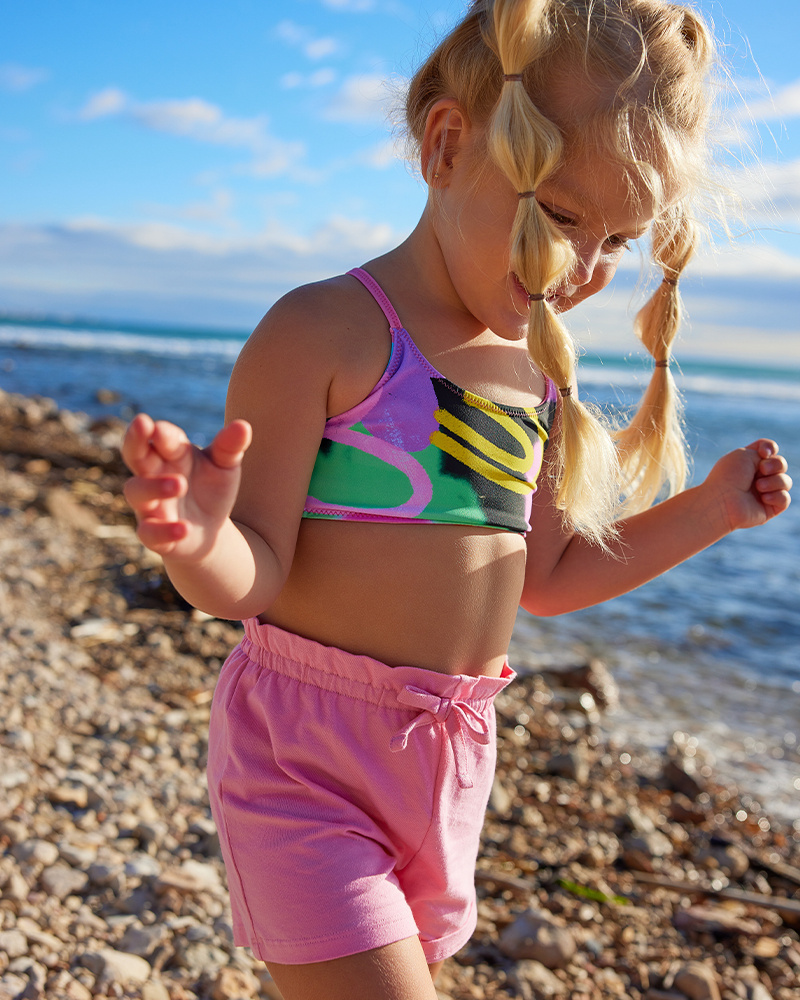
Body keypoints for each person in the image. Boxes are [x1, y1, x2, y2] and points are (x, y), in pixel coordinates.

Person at [121, 1, 792, 997]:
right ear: (445, 144)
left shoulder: (538, 374)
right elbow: (247, 576)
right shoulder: (327, 331)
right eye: (560, 217)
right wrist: (198, 538)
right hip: (303, 761)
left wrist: (705, 511)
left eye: (616, 243)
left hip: (448, 764)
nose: (580, 271)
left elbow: (552, 577)